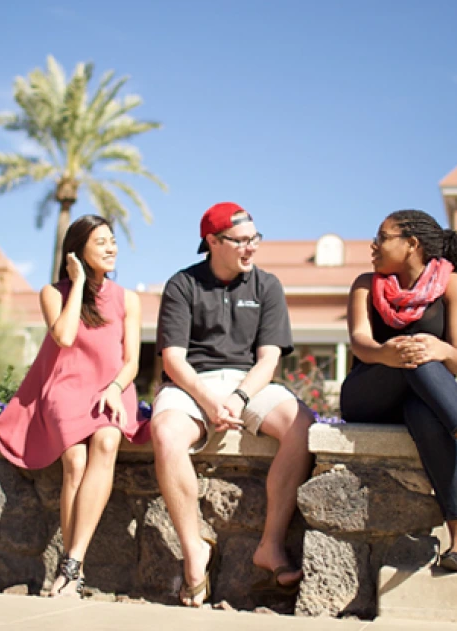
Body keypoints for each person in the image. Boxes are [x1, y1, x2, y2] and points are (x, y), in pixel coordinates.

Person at [339, 209, 457, 574]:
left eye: (383, 236)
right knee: (415, 353)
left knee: (425, 402)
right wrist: (384, 354)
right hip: (368, 393)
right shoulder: (365, 283)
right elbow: (359, 343)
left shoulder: (454, 287)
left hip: (420, 397)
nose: (373, 245)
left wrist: (443, 350)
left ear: (412, 244)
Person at [152, 202, 313, 607]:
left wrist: (239, 398)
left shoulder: (267, 286)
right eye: (241, 241)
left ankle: (270, 546)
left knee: (302, 425)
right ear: (212, 241)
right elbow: (173, 359)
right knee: (166, 434)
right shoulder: (182, 285)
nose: (251, 248)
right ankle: (194, 551)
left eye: (254, 239)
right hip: (191, 382)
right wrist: (208, 401)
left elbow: (270, 359)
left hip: (250, 382)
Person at [0, 215, 149, 597]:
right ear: (77, 252)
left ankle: (72, 564)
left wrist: (114, 388)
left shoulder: (128, 299)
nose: (111, 248)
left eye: (112, 241)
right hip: (66, 388)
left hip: (113, 387)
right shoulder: (53, 293)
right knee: (75, 463)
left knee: (108, 442)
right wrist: (78, 282)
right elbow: (63, 337)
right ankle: (72, 565)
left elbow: (131, 362)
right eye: (101, 242)